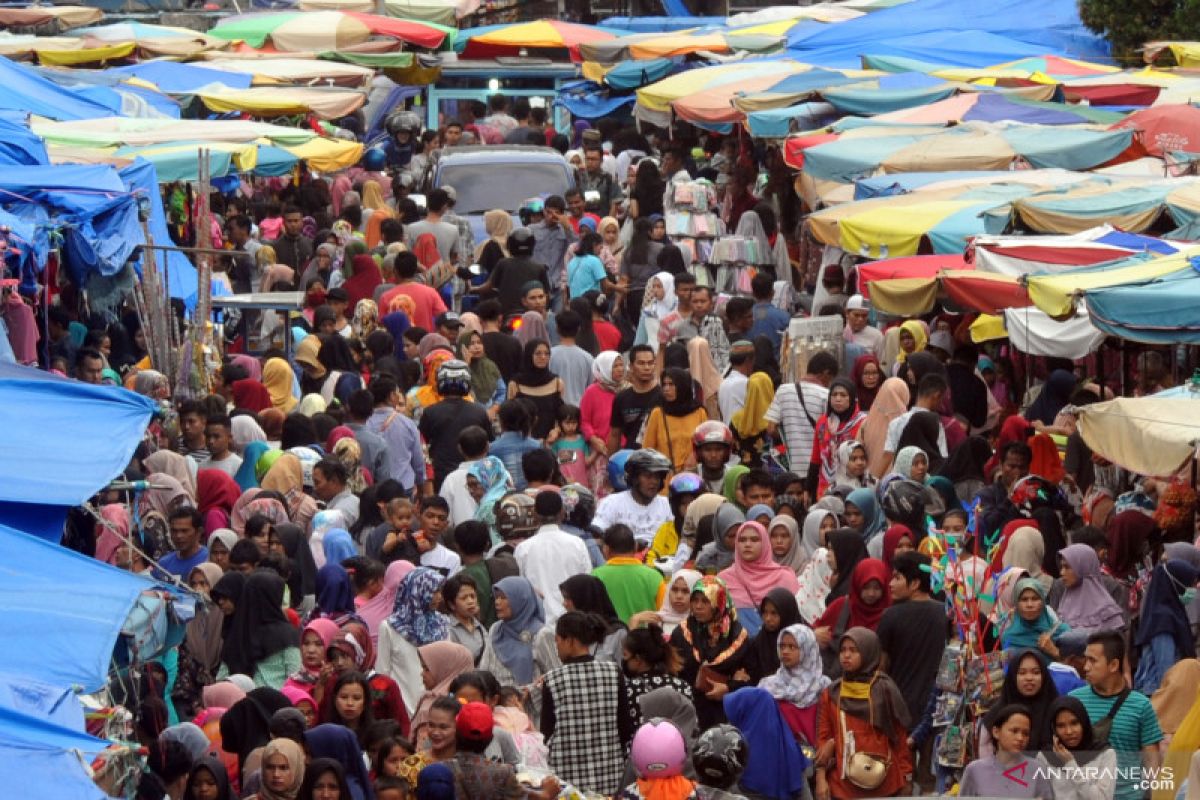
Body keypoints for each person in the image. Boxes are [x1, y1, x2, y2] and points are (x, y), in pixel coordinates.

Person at [814, 627, 912, 800]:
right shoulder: (831, 693)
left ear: (868, 652)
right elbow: (823, 738)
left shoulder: (884, 689)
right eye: (843, 650)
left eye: (854, 650)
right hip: (842, 786)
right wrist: (821, 779)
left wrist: (906, 777)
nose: (846, 655)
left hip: (885, 782)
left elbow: (899, 738)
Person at [541, 611, 630, 797]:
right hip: (609, 776)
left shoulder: (553, 679)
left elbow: (547, 733)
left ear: (570, 641)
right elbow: (624, 727)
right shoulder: (613, 672)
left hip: (566, 781)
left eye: (557, 641)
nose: (556, 647)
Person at [1070, 631, 1163, 800]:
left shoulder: (1141, 705)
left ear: (1113, 665)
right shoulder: (1074, 700)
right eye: (1086, 659)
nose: (1085, 667)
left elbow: (1151, 760)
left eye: (1093, 661)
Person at [877, 552, 947, 742]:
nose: (890, 584)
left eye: (897, 578)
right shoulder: (946, 613)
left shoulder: (890, 616)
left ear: (915, 583)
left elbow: (881, 666)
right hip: (939, 707)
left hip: (899, 707)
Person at [669, 576, 751, 729]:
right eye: (695, 600)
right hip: (688, 712)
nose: (698, 606)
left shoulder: (737, 636)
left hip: (725, 713)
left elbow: (748, 677)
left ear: (719, 603)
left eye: (705, 601)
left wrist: (728, 688)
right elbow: (670, 671)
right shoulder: (682, 633)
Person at [514, 490, 592, 623]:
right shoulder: (577, 544)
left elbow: (520, 590)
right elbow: (587, 581)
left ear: (535, 514)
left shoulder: (523, 549)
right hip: (573, 622)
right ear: (562, 512)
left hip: (539, 622)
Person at [418, 360, 493, 491]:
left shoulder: (430, 412)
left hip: (441, 474)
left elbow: (422, 446)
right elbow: (489, 442)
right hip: (476, 474)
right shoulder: (479, 411)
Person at [219, 571, 301, 688]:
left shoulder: (237, 632)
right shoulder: (287, 634)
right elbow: (294, 677)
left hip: (241, 702)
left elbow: (222, 679)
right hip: (278, 702)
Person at [765, 351, 836, 481]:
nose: (830, 383)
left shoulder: (783, 390)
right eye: (831, 378)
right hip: (817, 467)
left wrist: (790, 440)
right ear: (825, 373)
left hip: (790, 468)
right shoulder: (826, 395)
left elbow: (770, 429)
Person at [958, 705, 1053, 798]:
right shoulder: (975, 770)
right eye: (1014, 731)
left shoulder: (1038, 770)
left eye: (1025, 733)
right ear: (996, 732)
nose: (1020, 738)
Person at [1134, 559, 1198, 694]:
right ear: (1177, 583)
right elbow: (1166, 669)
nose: (1193, 589)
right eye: (1190, 584)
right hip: (1158, 693)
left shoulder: (1171, 612)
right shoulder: (1163, 619)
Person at [1035, 696, 1117, 800]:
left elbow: (1103, 798)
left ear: (1083, 723)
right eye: (1061, 726)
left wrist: (1070, 763)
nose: (1069, 731)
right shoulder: (1045, 756)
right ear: (1053, 729)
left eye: (1074, 723)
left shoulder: (1105, 753)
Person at [592, 449, 673, 547]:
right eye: (648, 476)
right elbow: (597, 535)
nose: (654, 482)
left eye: (657, 477)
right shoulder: (612, 502)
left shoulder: (666, 505)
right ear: (634, 478)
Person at [593, 524, 666, 623]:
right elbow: (664, 615)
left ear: (606, 549)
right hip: (645, 637)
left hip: (609, 637)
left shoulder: (595, 577)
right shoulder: (655, 577)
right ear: (635, 546)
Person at [642, 367, 708, 474]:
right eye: (664, 384)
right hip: (665, 480)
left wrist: (695, 455)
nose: (666, 389)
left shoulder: (700, 412)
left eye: (671, 384)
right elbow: (647, 450)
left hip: (693, 477)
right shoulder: (658, 413)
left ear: (683, 386)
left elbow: (706, 445)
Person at [607, 345, 662, 453]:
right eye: (641, 363)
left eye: (650, 363)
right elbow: (615, 435)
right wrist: (611, 463)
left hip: (659, 458)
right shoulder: (621, 398)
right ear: (631, 367)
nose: (646, 367)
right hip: (631, 458)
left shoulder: (663, 396)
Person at [508, 340, 564, 440]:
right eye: (538, 353)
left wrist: (556, 431)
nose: (543, 357)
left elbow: (560, 413)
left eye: (546, 353)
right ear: (529, 355)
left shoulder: (556, 382)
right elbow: (509, 416)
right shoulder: (516, 384)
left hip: (550, 443)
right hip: (523, 442)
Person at [548, 310, 594, 406]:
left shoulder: (549, 355)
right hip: (580, 408)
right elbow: (591, 386)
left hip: (557, 408)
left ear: (557, 329)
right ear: (578, 329)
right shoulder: (587, 357)